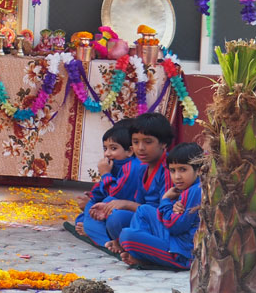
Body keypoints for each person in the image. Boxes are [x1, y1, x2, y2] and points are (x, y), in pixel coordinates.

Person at [82, 112, 174, 250]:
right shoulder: (143, 168)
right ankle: (122, 242)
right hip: (143, 219)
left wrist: (126, 204)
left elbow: (165, 213)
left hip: (162, 225)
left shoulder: (168, 170)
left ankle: (122, 243)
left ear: (163, 144)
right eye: (136, 142)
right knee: (111, 211)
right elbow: (139, 204)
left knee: (116, 219)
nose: (140, 148)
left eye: (148, 142)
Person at [117, 142, 203, 269]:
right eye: (173, 171)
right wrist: (171, 207)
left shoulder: (195, 190)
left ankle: (144, 257)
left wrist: (165, 201)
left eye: (183, 169)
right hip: (175, 240)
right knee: (143, 209)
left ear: (199, 170)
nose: (177, 176)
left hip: (183, 254)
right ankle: (142, 256)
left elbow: (175, 227)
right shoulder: (189, 188)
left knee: (127, 235)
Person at [72, 119, 136, 237]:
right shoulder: (116, 164)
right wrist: (93, 195)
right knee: (83, 216)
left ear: (130, 150)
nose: (107, 153)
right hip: (111, 207)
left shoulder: (132, 167)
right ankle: (92, 228)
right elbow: (101, 188)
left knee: (102, 206)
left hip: (124, 209)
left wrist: (106, 174)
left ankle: (98, 234)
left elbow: (115, 193)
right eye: (105, 149)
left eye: (113, 148)